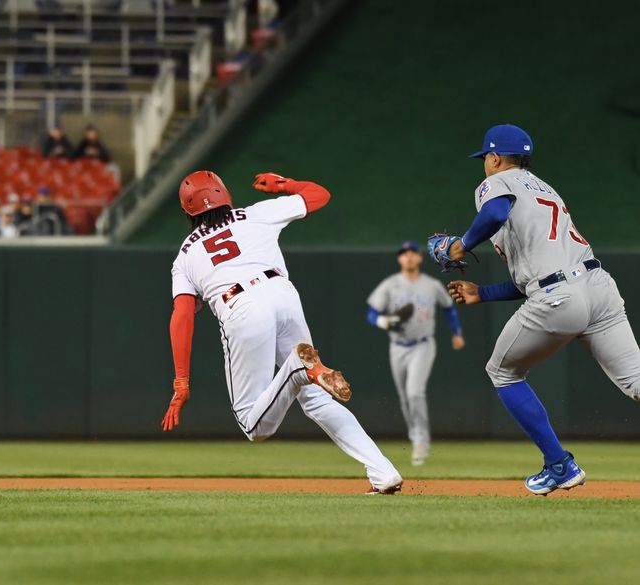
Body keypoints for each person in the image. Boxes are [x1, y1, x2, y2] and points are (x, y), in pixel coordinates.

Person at [162, 170, 403, 494]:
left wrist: (181, 382)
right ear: (225, 194)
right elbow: (320, 195)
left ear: (187, 211)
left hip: (241, 306)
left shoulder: (185, 256)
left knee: (254, 425)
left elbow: (182, 317)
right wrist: (283, 185)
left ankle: (298, 368)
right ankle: (383, 473)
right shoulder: (256, 213)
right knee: (317, 400)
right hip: (283, 294)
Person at [432, 124, 640, 495]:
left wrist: (461, 246)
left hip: (560, 296)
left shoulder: (496, 183)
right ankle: (558, 465)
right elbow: (531, 277)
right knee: (637, 382)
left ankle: (559, 465)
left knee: (503, 372)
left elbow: (494, 214)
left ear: (494, 158)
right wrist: (483, 293)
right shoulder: (544, 189)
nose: (485, 165)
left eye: (486, 159)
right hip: (598, 287)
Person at [366, 240, 465, 466]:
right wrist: (385, 321)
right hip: (397, 346)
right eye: (404, 253)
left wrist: (456, 333)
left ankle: (421, 440)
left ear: (420, 258)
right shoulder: (390, 285)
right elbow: (371, 314)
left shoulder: (431, 285)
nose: (409, 256)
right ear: (400, 258)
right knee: (404, 397)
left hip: (423, 344)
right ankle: (414, 435)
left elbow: (449, 308)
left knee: (414, 393)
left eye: (413, 253)